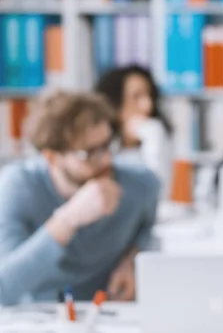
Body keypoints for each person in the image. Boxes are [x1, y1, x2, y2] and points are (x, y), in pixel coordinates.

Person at [0, 90, 159, 305]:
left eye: (107, 145)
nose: (106, 159)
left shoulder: (141, 184)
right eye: (89, 153)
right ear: (52, 157)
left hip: (112, 313)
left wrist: (131, 261)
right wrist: (67, 219)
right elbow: (5, 289)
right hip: (41, 315)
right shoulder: (20, 186)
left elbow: (147, 230)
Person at [95, 65, 173, 197]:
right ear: (115, 102)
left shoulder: (156, 136)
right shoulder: (97, 146)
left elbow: (158, 194)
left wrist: (153, 138)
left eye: (150, 96)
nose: (147, 105)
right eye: (136, 97)